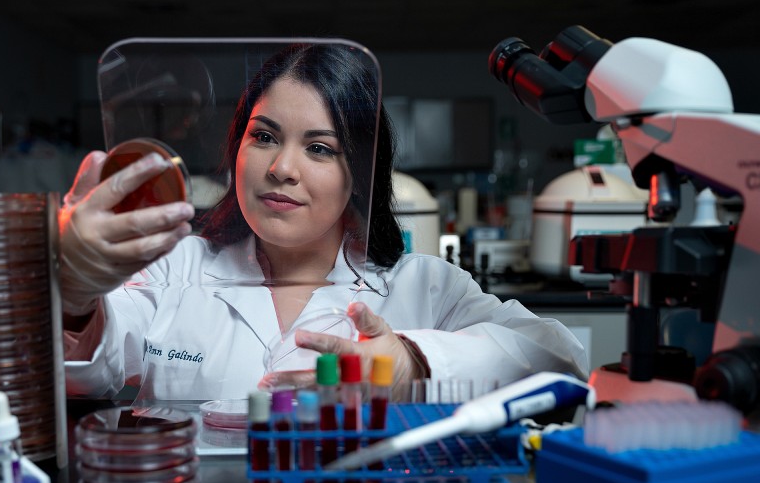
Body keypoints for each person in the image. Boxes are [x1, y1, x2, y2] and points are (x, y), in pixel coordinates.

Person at [59, 42, 587, 401]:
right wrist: (75, 294)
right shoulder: (172, 269)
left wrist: (413, 364)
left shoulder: (424, 287)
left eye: (319, 148)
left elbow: (560, 361)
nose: (280, 169)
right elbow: (79, 374)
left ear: (358, 171)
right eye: (263, 136)